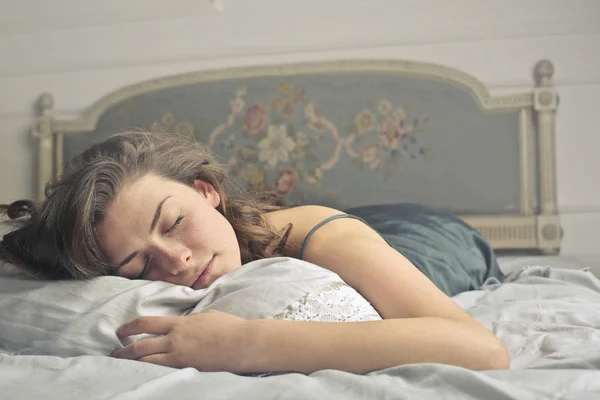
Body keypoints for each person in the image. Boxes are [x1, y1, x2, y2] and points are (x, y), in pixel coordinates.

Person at [0, 131, 510, 375]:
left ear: (205, 191)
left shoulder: (314, 232)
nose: (174, 260)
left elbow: (482, 351)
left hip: (423, 237)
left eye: (174, 223)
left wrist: (248, 342)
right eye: (139, 264)